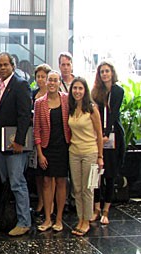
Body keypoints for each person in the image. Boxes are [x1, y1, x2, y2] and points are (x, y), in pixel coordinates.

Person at [0, 52, 32, 236]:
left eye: (5, 65)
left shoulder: (20, 84)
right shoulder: (0, 86)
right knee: (7, 181)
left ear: (12, 66)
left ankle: (24, 221)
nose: (2, 68)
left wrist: (19, 141)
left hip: (14, 142)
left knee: (17, 181)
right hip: (1, 140)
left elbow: (25, 115)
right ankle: (11, 217)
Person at [33, 71, 71, 232]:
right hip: (47, 148)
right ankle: (48, 218)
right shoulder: (39, 103)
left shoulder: (67, 99)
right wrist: (40, 153)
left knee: (61, 182)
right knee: (47, 182)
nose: (52, 83)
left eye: (55, 80)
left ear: (59, 82)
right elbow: (37, 130)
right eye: (50, 80)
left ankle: (59, 219)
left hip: (63, 147)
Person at [90, 61, 125, 225]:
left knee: (110, 174)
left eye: (107, 71)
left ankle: (106, 210)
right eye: (102, 71)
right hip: (97, 136)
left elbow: (113, 114)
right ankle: (96, 208)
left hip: (113, 136)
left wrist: (107, 134)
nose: (104, 74)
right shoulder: (96, 91)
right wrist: (99, 136)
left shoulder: (118, 91)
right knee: (96, 174)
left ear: (112, 73)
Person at [68, 77, 103, 236]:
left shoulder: (92, 108)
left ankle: (86, 221)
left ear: (85, 91)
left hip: (90, 151)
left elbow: (100, 135)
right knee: (77, 188)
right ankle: (80, 217)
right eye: (75, 88)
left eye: (80, 88)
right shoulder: (71, 108)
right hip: (74, 152)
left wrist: (100, 156)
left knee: (87, 188)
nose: (77, 91)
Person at [31, 63, 52, 216]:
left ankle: (49, 203)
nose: (40, 79)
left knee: (48, 174)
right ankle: (40, 200)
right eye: (38, 76)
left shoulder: (54, 96)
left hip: (49, 138)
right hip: (34, 135)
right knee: (37, 171)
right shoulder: (34, 94)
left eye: (43, 77)